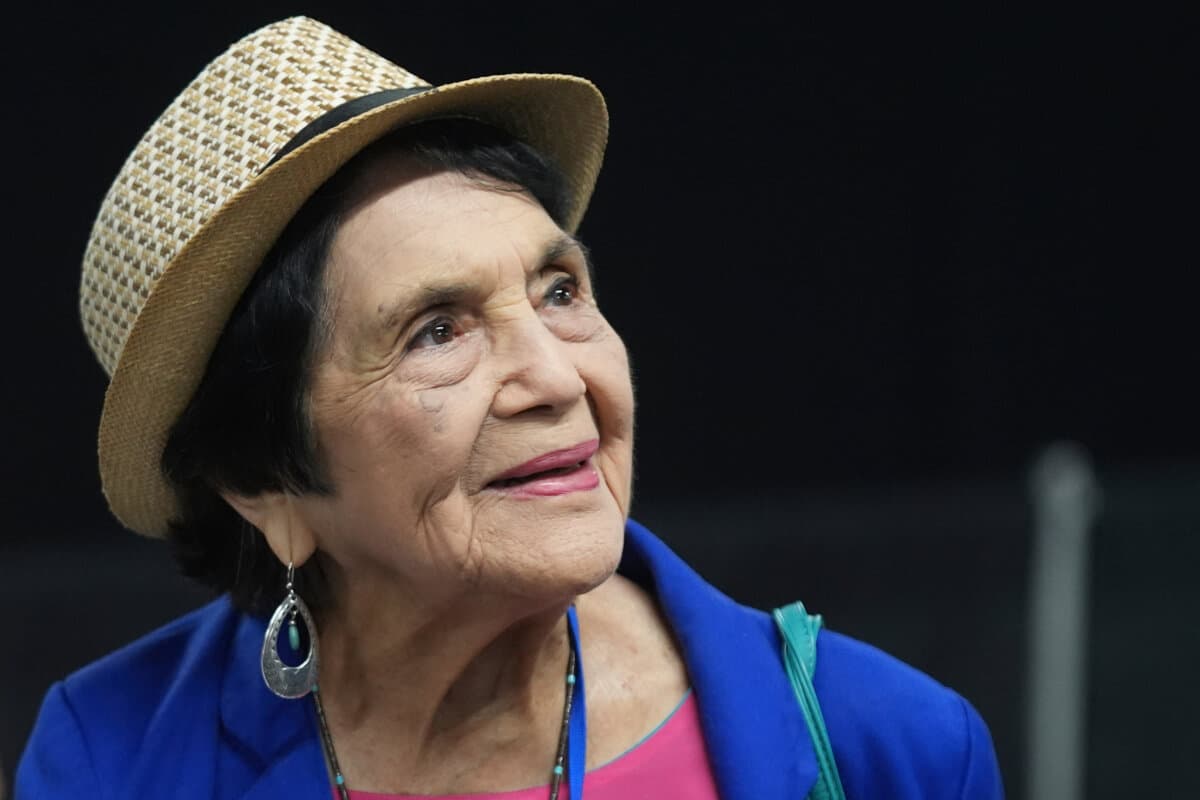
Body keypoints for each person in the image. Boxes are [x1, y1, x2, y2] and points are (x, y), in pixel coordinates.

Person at [17, 16, 1003, 799]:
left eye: (559, 291)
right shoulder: (111, 758)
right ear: (262, 475)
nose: (559, 378)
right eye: (438, 328)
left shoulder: (888, 745)